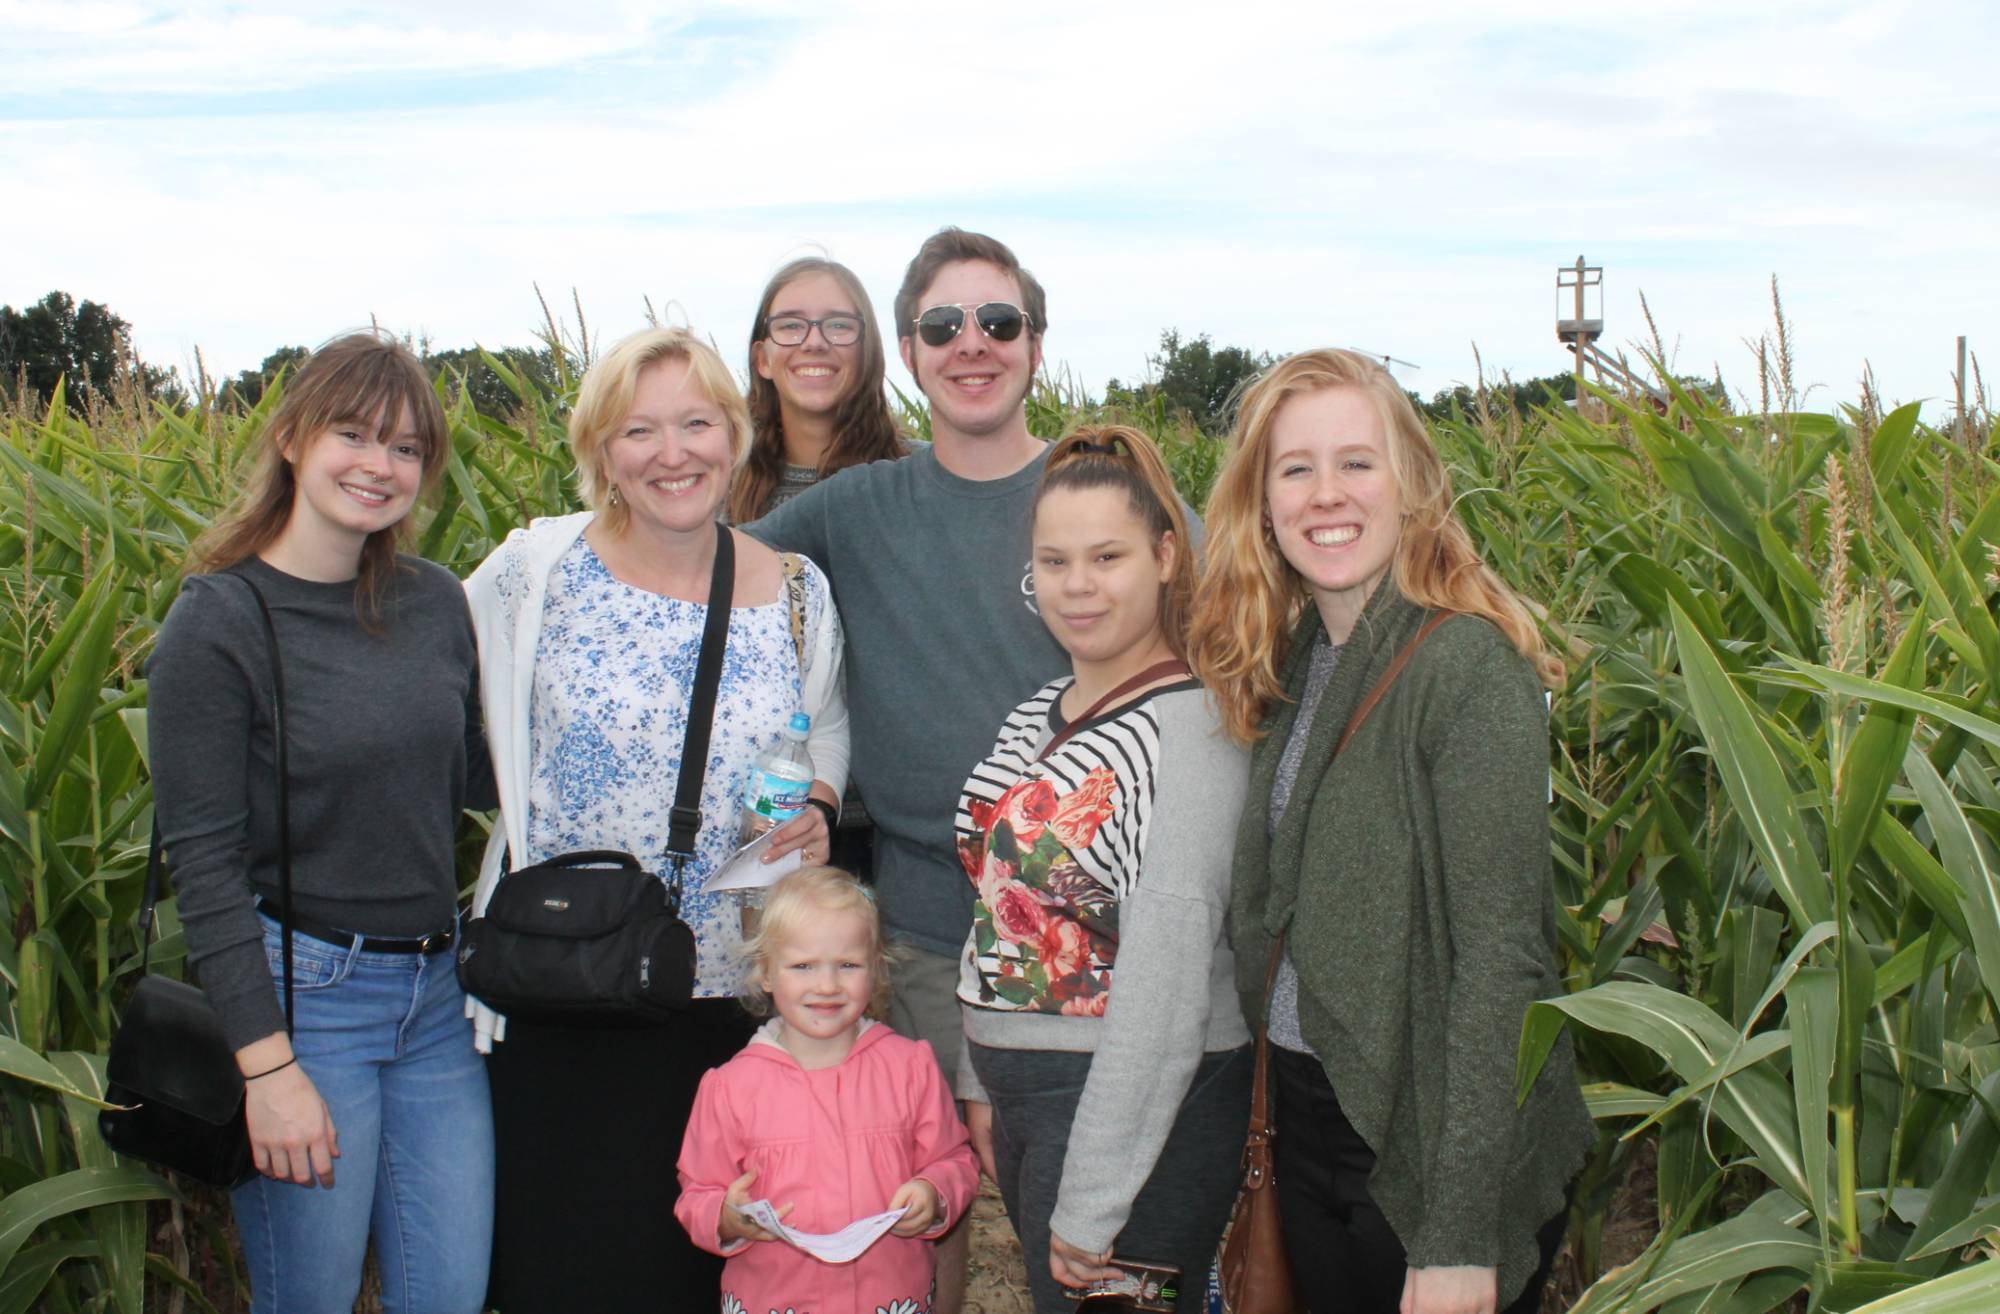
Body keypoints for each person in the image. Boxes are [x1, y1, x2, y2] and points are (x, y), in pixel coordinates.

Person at [1185, 349, 1594, 1314]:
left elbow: (1503, 966)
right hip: (1304, 1112)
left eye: (1357, 462)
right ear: (1263, 500)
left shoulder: (1467, 669)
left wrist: (1457, 1232)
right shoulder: (1292, 661)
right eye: (1297, 468)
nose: (1328, 493)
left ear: (1411, 482)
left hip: (1428, 1135)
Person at [463, 326, 850, 1311]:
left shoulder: (795, 591)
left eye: (695, 423)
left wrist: (817, 799)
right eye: (639, 430)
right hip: (565, 983)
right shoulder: (533, 572)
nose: (671, 453)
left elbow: (825, 725)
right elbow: (425, 678)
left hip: (727, 992)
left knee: (709, 1269)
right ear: (601, 452)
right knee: (568, 1260)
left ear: (734, 435)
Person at [745, 226, 1072, 1313]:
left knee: (1068, 1206)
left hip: (1081, 933)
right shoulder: (857, 507)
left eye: (997, 321)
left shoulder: (1098, 497)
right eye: (942, 325)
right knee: (921, 1194)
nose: (970, 343)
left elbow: (1221, 645)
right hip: (928, 926)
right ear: (910, 349)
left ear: (1035, 341)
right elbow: (704, 563)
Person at [146, 331, 494, 1314]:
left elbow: (466, 772)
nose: (380, 467)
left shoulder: (430, 600)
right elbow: (204, 867)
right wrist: (269, 1069)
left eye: (407, 449)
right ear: (293, 435)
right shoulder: (219, 621)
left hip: (435, 997)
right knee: (312, 1295)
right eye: (355, 434)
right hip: (305, 1005)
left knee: (449, 1294)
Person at [953, 426, 1251, 1314]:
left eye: (1106, 557)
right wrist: (981, 1080)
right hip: (1036, 1103)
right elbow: (994, 905)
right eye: (1054, 560)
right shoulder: (1039, 710)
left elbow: (1165, 985)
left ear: (1166, 556)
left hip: (1137, 1115)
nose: (1077, 586)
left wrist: (1093, 1204)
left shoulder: (1191, 735)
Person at [676, 866, 979, 1314]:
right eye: (802, 966)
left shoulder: (908, 1066)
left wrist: (933, 1193)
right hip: (773, 1298)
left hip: (890, 1294)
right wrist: (725, 1215)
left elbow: (955, 1160)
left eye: (848, 965)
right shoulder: (731, 1086)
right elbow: (696, 1192)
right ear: (765, 973)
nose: (827, 985)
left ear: (875, 969)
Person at [729, 254, 913, 879]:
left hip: (887, 827)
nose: (815, 342)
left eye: (840, 325)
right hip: (754, 819)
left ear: (867, 352)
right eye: (792, 326)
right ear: (762, 356)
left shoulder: (914, 481)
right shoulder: (713, 493)